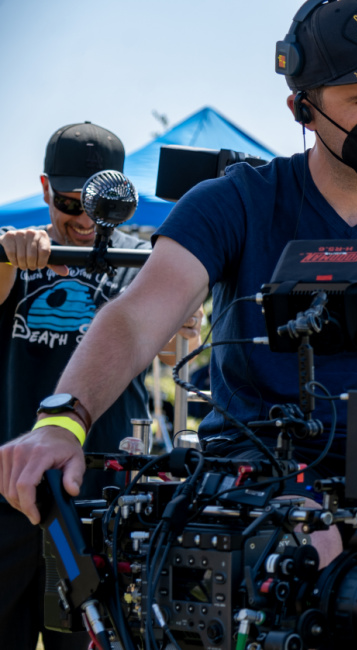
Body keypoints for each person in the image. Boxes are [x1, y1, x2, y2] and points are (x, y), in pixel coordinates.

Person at [0, 0, 357, 561]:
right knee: (307, 543)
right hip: (258, 470)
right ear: (304, 109)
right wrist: (62, 420)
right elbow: (135, 318)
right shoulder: (236, 203)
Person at [0, 122, 201, 650]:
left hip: (103, 495)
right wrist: (9, 248)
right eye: (70, 201)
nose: (85, 219)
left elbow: (170, 347)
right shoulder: (14, 256)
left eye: (100, 201)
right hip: (11, 490)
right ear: (45, 189)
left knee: (98, 639)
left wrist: (184, 319)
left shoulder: (145, 263)